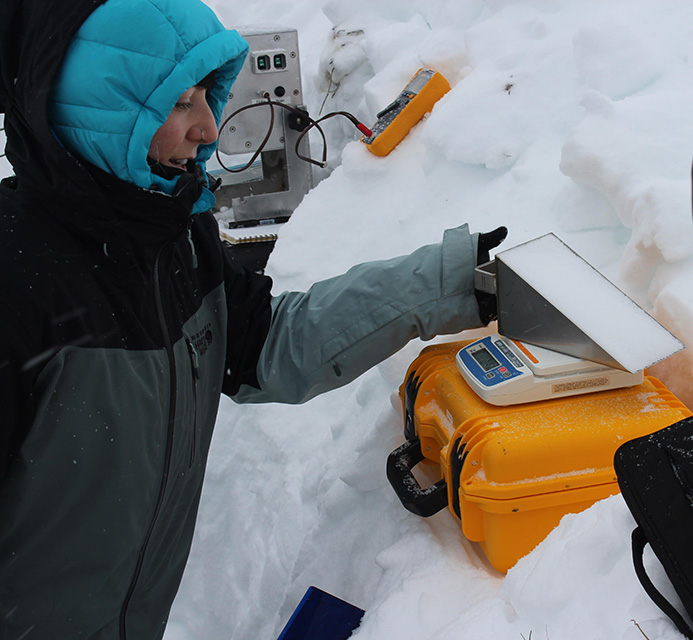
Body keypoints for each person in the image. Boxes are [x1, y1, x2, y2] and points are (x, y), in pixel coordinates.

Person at [0, 0, 506, 638]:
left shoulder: (174, 243)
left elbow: (269, 348)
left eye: (205, 97)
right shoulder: (17, 279)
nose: (210, 128)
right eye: (180, 103)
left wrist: (448, 282)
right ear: (99, 110)